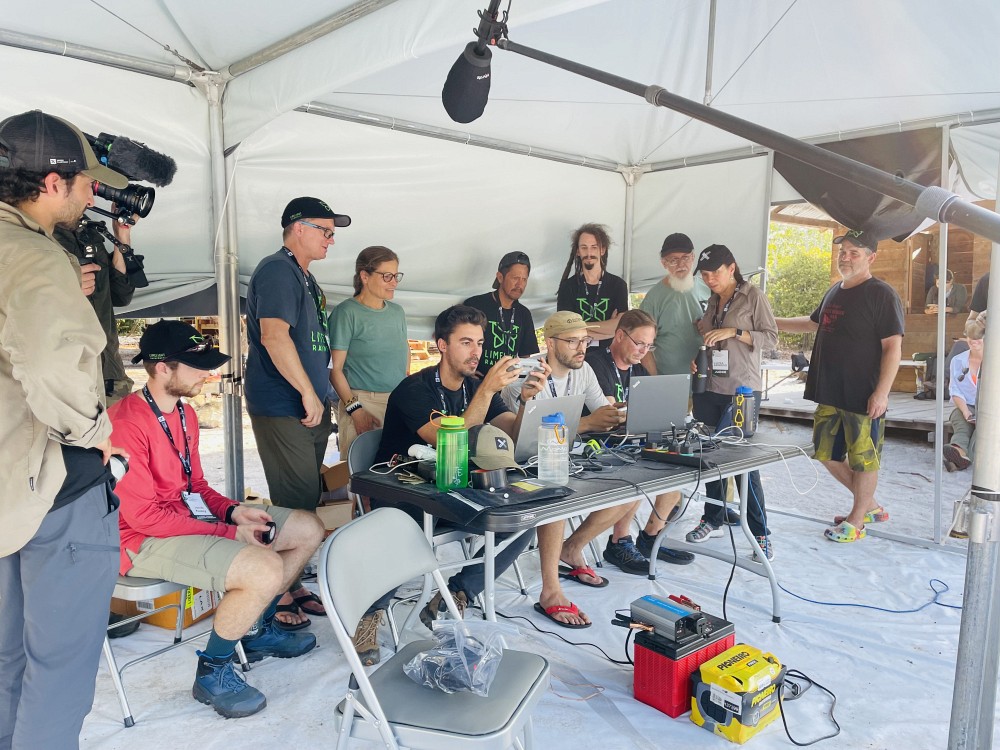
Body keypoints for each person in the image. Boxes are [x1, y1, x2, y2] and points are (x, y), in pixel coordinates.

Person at [111, 320, 324, 718]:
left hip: (180, 522)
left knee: (306, 528)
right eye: (198, 366)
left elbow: (197, 485)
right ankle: (213, 671)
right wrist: (228, 531)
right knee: (263, 566)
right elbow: (144, 517)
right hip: (139, 540)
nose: (208, 374)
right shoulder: (126, 424)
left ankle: (254, 630)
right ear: (163, 368)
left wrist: (232, 510)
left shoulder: (185, 413)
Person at [0, 109, 128, 750]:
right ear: (53, 184)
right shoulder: (35, 256)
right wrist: (92, 434)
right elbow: (52, 365)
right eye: (87, 182)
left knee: (7, 660)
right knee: (58, 668)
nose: (92, 194)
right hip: (49, 483)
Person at [356, 305, 545, 664]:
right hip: (403, 493)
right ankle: (369, 613)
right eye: (466, 342)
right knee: (407, 534)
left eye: (480, 343)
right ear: (442, 345)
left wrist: (526, 402)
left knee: (523, 519)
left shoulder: (476, 386)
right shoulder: (414, 389)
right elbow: (448, 442)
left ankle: (456, 593)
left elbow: (511, 432)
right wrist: (486, 390)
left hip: (453, 490)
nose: (476, 352)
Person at [245, 196, 350, 628]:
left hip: (307, 406)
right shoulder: (277, 270)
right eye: (325, 231)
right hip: (283, 404)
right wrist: (308, 391)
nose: (331, 240)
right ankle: (273, 594)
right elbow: (274, 336)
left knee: (306, 500)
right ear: (298, 228)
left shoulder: (306, 279)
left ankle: (293, 581)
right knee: (293, 505)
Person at [502, 312, 632, 628]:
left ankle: (571, 548)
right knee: (556, 494)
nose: (581, 348)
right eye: (573, 341)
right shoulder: (527, 378)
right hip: (528, 467)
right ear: (550, 343)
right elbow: (526, 440)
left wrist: (619, 414)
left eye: (585, 340)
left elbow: (602, 411)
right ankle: (550, 591)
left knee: (631, 488)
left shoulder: (583, 370)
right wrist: (586, 423)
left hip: (569, 458)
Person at [775, 229, 904, 543]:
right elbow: (812, 323)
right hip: (829, 390)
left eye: (854, 253)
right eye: (842, 252)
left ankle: (857, 522)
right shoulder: (835, 290)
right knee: (825, 452)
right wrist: (771, 321)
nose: (845, 258)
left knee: (864, 458)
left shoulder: (882, 294)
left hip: (863, 394)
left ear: (871, 258)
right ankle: (870, 506)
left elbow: (893, 346)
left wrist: (882, 393)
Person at [684, 245, 779, 561]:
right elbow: (709, 340)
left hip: (741, 390)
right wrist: (699, 359)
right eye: (704, 274)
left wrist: (735, 331)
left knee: (744, 464)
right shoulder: (712, 300)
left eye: (715, 272)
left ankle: (760, 533)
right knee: (709, 458)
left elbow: (771, 338)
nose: (710, 279)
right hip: (709, 387)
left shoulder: (753, 296)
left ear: (732, 268)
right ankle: (713, 518)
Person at [584, 310, 695, 568]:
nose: (644, 351)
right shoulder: (596, 362)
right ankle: (620, 541)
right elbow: (611, 414)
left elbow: (643, 412)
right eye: (639, 343)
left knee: (677, 462)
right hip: (599, 444)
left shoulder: (639, 370)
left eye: (649, 345)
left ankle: (651, 536)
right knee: (640, 473)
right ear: (620, 336)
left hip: (630, 440)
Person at [330, 245, 408, 457]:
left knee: (397, 470)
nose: (394, 282)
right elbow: (334, 370)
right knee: (361, 471)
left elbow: (403, 351)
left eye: (396, 276)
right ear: (365, 276)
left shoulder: (397, 312)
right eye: (387, 276)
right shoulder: (346, 313)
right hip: (363, 402)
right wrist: (356, 410)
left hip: (397, 403)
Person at [55, 215, 138, 405]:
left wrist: (121, 238)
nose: (91, 202)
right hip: (66, 379)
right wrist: (64, 284)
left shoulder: (88, 230)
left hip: (110, 375)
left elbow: (120, 296)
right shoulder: (31, 235)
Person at [638, 232, 710, 377]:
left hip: (708, 380)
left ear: (693, 257)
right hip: (670, 381)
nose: (681, 265)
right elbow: (643, 346)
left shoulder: (709, 287)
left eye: (685, 258)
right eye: (673, 260)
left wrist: (708, 325)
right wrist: (655, 381)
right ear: (664, 263)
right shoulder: (653, 299)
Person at [463, 251, 539, 375]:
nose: (520, 284)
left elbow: (525, 356)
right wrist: (470, 373)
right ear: (500, 277)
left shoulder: (524, 314)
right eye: (515, 278)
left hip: (508, 382)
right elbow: (457, 342)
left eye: (524, 279)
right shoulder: (475, 305)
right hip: (477, 381)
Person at [556, 223, 629, 341]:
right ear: (578, 251)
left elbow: (621, 327)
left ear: (602, 250)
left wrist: (579, 327)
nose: (589, 253)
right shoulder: (567, 287)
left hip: (609, 351)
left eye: (594, 247)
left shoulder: (618, 285)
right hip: (577, 350)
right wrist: (610, 331)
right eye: (584, 247)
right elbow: (566, 330)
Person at [943, 312, 986, 471]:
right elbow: (955, 390)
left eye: (978, 338)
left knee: (981, 430)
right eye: (970, 338)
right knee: (960, 422)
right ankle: (958, 450)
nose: (974, 341)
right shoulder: (957, 360)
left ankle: (962, 458)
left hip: (990, 409)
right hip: (967, 406)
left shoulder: (995, 360)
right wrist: (966, 411)